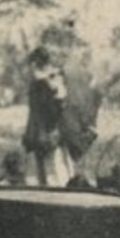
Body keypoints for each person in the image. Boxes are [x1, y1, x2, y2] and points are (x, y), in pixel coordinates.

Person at [20, 46, 94, 186]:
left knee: (50, 172)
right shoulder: (48, 81)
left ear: (37, 63)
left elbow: (57, 102)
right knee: (54, 170)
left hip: (44, 132)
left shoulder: (44, 81)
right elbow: (57, 104)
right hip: (47, 132)